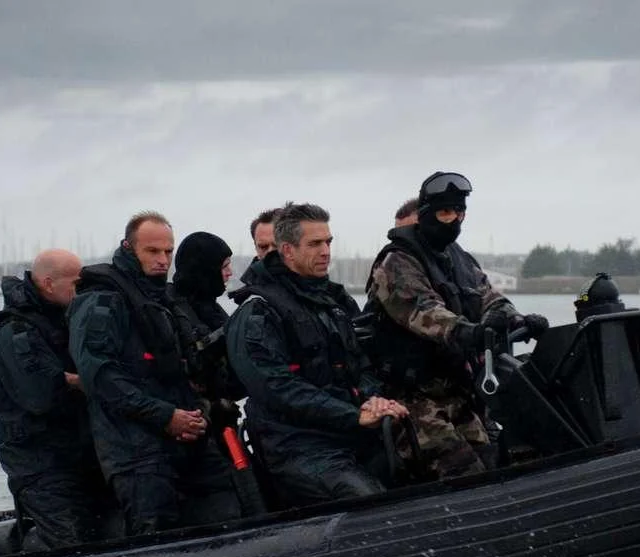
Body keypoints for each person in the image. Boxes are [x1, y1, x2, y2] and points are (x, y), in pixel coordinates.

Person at [364, 171, 550, 478]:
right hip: (411, 398)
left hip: (456, 392)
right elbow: (424, 312)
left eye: (459, 213)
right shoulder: (397, 263)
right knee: (463, 471)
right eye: (445, 212)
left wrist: (515, 319)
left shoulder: (459, 259)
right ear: (426, 215)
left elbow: (488, 296)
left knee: (494, 464)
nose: (454, 220)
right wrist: (470, 331)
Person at [68, 212, 241, 535]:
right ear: (128, 247)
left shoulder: (163, 300)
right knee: (154, 533)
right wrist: (166, 416)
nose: (163, 260)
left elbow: (183, 369)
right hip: (136, 451)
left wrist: (195, 413)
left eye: (168, 252)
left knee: (230, 512)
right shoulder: (101, 301)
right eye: (153, 251)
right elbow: (100, 377)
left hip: (186, 439)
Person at [226, 202, 407, 505]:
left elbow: (360, 365)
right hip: (296, 446)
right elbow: (277, 388)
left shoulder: (330, 305)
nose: (325, 251)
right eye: (314, 244)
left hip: (348, 436)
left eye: (328, 242)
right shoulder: (259, 312)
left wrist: (373, 399)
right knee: (367, 500)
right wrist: (354, 416)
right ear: (287, 250)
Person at [0, 249, 116, 549]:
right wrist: (81, 381)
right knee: (70, 544)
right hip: (40, 465)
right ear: (49, 283)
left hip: (81, 456)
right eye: (75, 285)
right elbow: (42, 393)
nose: (81, 293)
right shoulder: (14, 334)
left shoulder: (68, 323)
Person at [169, 231, 244, 432]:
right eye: (224, 266)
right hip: (193, 424)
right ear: (206, 270)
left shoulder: (211, 308)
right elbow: (190, 366)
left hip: (222, 421)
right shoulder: (171, 309)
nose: (230, 273)